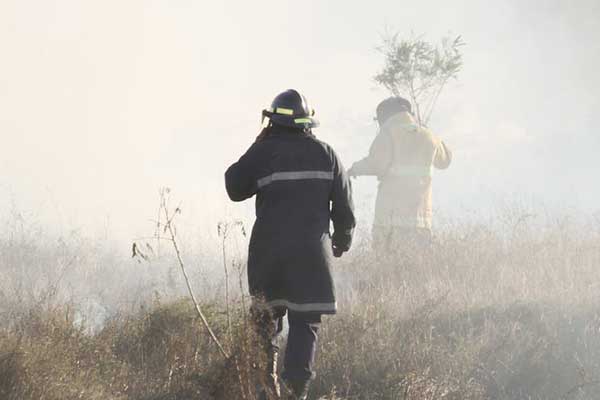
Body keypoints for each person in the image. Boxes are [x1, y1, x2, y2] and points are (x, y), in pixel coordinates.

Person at [225, 89, 356, 400]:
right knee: (305, 322)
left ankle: (262, 387)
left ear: (271, 123)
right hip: (311, 256)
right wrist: (341, 240)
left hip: (268, 254)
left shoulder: (264, 152)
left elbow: (234, 186)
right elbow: (345, 207)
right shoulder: (327, 154)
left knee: (264, 319)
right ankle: (296, 391)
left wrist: (257, 146)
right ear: (307, 123)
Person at [348, 96, 452, 259]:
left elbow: (375, 163)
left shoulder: (388, 134)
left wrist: (353, 169)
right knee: (417, 271)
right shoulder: (428, 136)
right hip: (421, 223)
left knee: (388, 269)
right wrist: (428, 132)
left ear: (384, 116)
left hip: (390, 223)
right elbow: (445, 161)